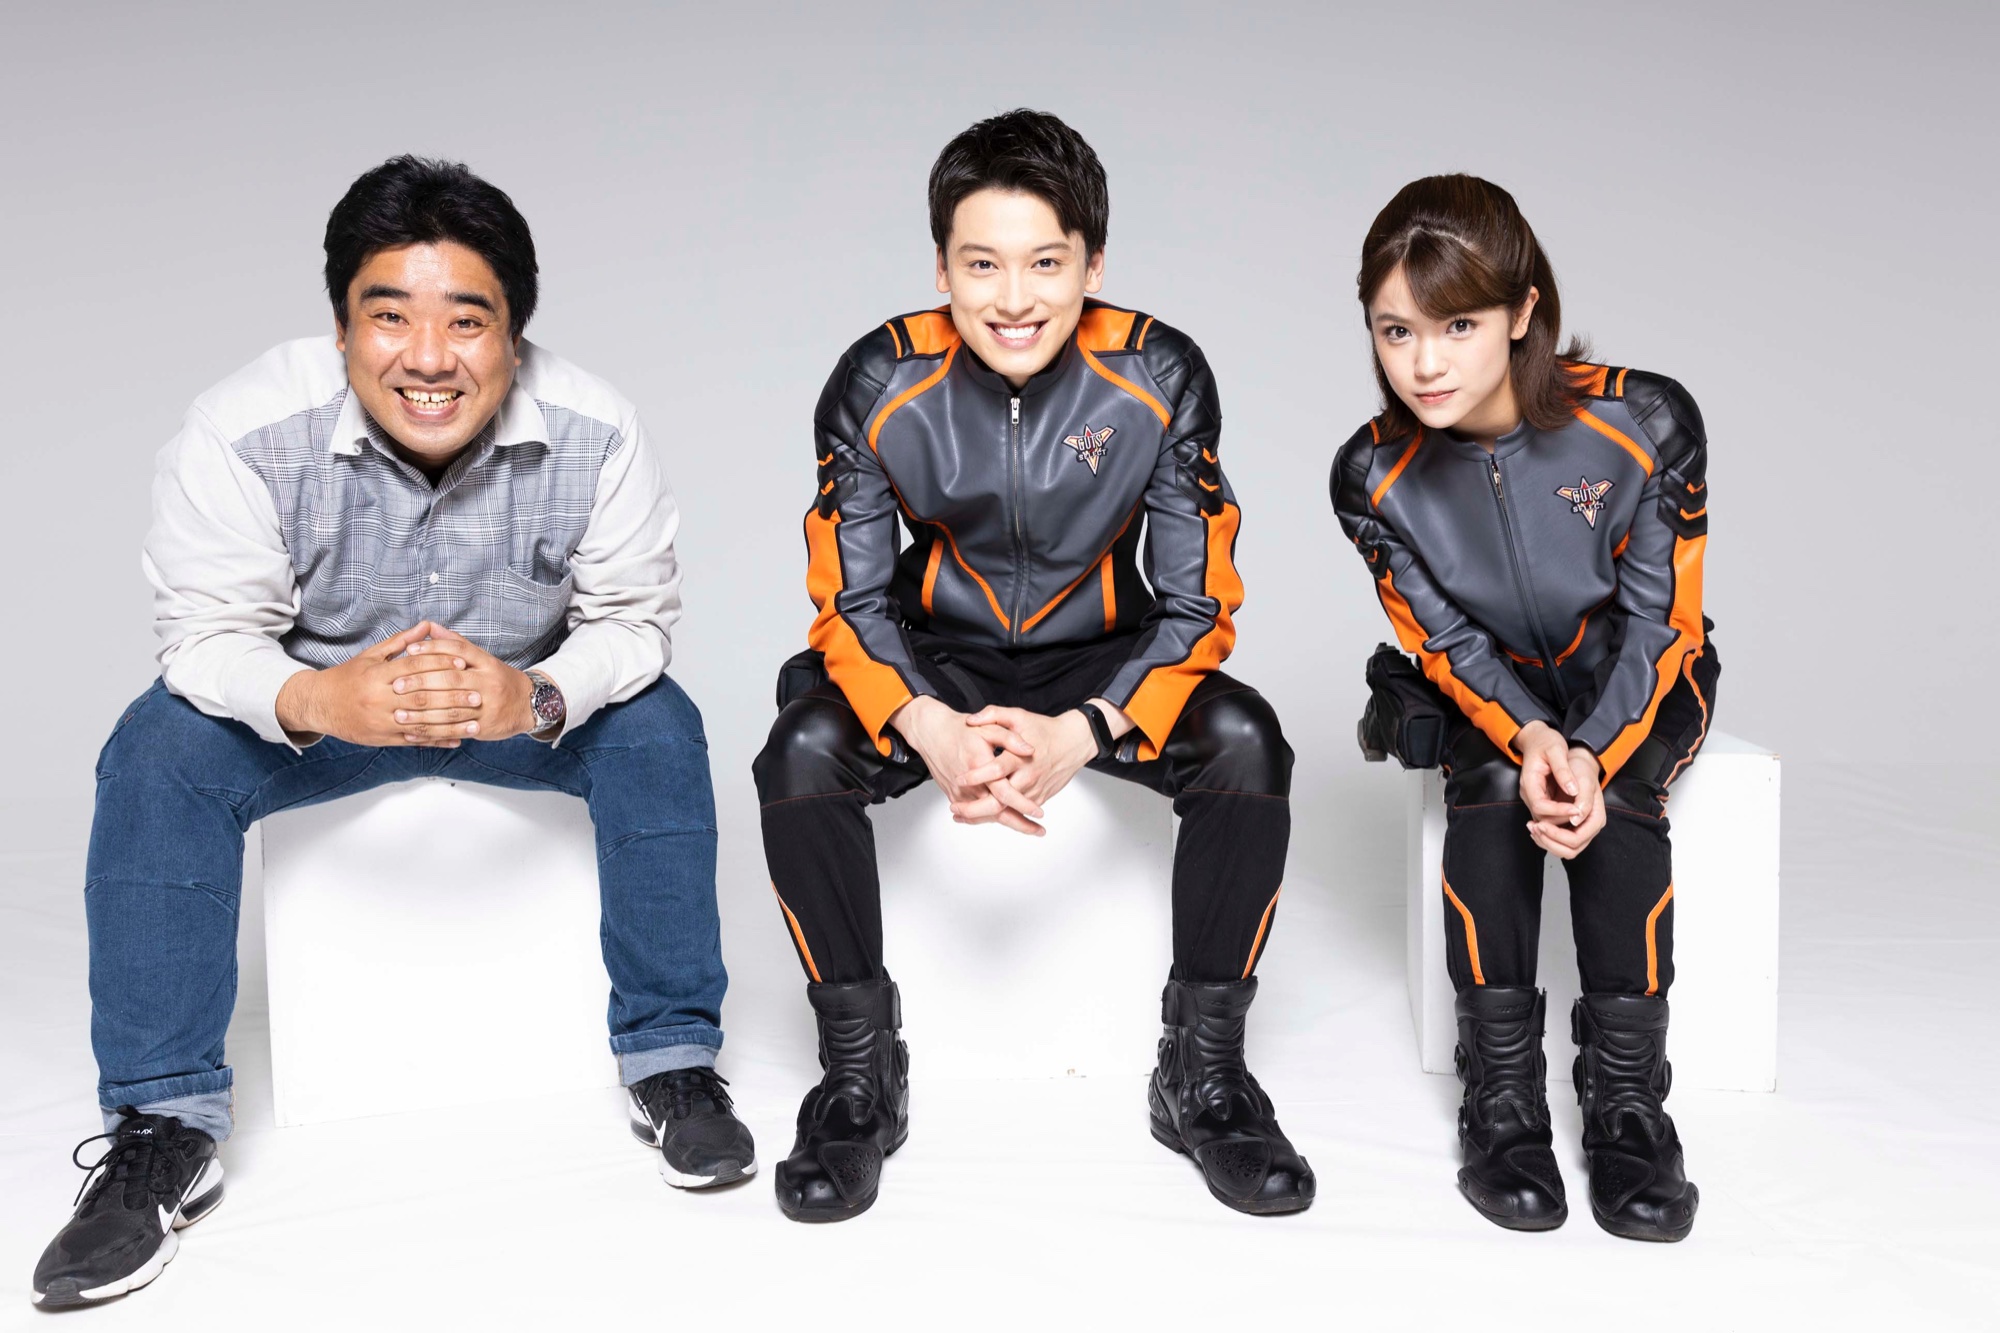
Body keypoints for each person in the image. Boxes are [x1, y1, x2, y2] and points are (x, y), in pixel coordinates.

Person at [32, 156, 753, 1310]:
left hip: (512, 706)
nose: (427, 357)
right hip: (320, 714)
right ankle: (163, 1126)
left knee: (659, 727)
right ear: (340, 328)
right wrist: (318, 699)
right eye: (388, 317)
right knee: (157, 747)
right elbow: (204, 638)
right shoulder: (241, 429)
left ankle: (673, 1060)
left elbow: (634, 621)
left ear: (513, 334)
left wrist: (537, 697)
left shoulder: (598, 427)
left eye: (466, 321)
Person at [752, 109, 1312, 1222]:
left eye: (1045, 264)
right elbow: (848, 602)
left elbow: (1197, 603)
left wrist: (1087, 729)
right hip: (934, 657)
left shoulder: (1158, 369)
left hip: (1099, 659)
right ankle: (859, 1076)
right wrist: (925, 722)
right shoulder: (877, 377)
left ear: (1092, 266)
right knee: (802, 748)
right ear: (941, 269)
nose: (1014, 299)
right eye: (982, 264)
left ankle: (1203, 1075)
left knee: (1248, 743)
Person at [1332, 174, 1714, 1242]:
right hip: (1495, 688)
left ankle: (1627, 1103)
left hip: (1637, 678)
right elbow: (1448, 644)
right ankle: (1500, 1097)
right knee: (1494, 785)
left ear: (1521, 311)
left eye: (1457, 325)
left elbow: (1659, 627)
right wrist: (1532, 733)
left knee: (1619, 802)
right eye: (1396, 330)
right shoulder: (1370, 475)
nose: (1424, 363)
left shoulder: (1644, 419)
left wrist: (1588, 748)